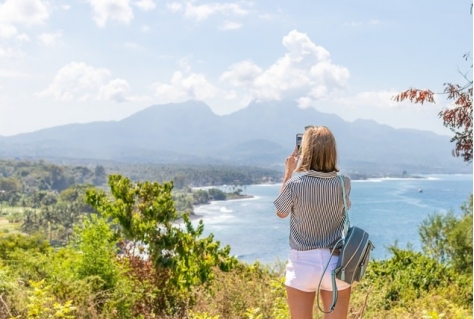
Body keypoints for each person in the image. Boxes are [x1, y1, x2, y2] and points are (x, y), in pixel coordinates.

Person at [273, 126, 352, 319]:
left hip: (302, 264)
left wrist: (288, 173)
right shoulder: (344, 183)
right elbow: (344, 210)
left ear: (305, 151)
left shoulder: (295, 184)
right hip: (335, 262)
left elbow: (281, 212)